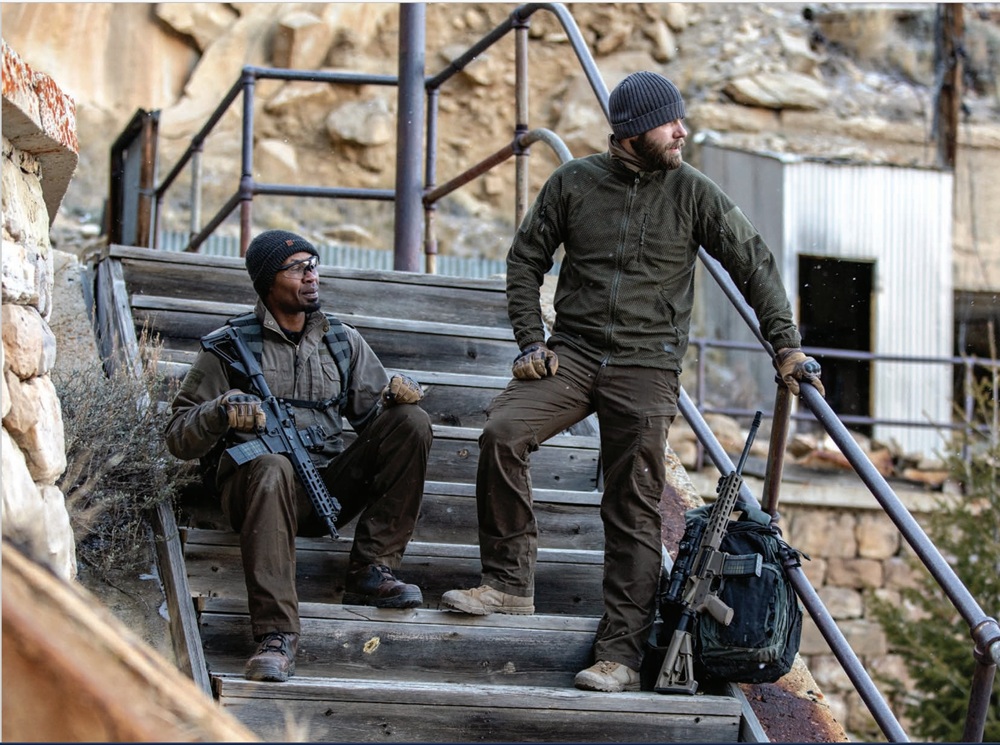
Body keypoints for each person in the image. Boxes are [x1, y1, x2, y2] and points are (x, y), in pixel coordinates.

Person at [440, 71, 824, 693]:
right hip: (572, 355)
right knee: (502, 433)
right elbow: (525, 259)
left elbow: (753, 263)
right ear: (631, 131)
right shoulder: (573, 182)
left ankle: (619, 653)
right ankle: (509, 585)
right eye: (671, 122)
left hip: (647, 367)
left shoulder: (693, 192)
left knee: (633, 503)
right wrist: (530, 341)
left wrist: (787, 347)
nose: (682, 132)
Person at [165, 229, 433, 683]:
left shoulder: (342, 341)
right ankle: (277, 635)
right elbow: (177, 437)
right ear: (269, 280)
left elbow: (376, 426)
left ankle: (371, 570)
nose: (312, 277)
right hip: (258, 491)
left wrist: (398, 398)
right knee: (272, 465)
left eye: (314, 266)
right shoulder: (229, 346)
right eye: (298, 269)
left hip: (325, 488)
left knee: (412, 423)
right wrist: (222, 410)